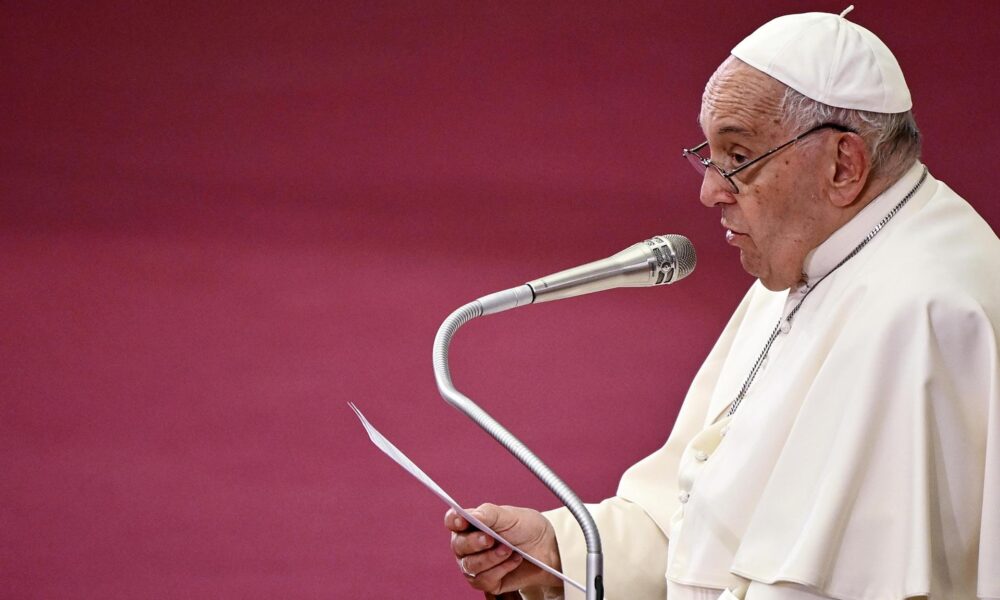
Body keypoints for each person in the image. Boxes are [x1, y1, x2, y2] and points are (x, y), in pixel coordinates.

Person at [445, 9, 1000, 600]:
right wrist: (566, 549)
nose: (710, 191)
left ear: (843, 165)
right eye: (708, 157)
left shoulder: (924, 314)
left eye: (738, 159)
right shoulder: (816, 254)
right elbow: (703, 519)